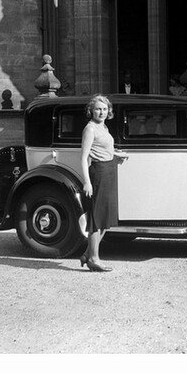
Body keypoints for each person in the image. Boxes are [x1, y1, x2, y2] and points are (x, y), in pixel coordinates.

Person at [79, 94, 127, 272]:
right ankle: (94, 258)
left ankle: (87, 254)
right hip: (98, 174)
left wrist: (116, 155)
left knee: (105, 217)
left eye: (105, 109)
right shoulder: (90, 129)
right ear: (91, 110)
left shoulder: (103, 127)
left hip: (109, 171)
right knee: (97, 218)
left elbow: (104, 149)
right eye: (98, 109)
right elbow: (84, 158)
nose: (102, 112)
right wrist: (87, 182)